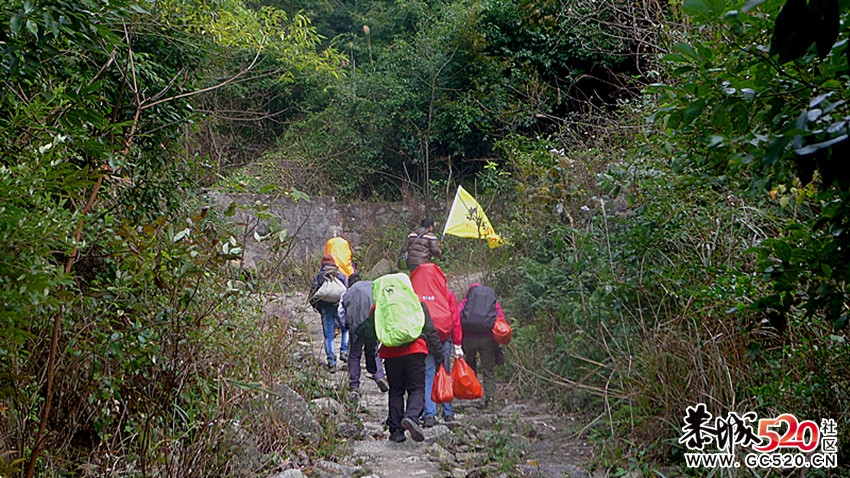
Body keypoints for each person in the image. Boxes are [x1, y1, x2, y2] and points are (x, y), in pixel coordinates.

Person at [357, 273, 445, 443]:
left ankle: (396, 431)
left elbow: (369, 336)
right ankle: (412, 416)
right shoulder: (415, 301)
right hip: (416, 351)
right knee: (417, 388)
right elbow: (430, 330)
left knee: (396, 390)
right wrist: (440, 356)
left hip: (391, 353)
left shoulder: (380, 306)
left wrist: (371, 364)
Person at [410, 263, 462, 427]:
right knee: (445, 373)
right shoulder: (446, 292)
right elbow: (455, 319)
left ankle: (429, 413)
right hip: (443, 337)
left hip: (423, 338)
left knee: (427, 375)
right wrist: (458, 343)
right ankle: (448, 412)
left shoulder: (414, 293)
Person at [338, 276, 390, 395]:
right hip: (373, 324)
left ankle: (354, 384)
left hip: (356, 327)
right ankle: (379, 376)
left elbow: (341, 312)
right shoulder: (373, 286)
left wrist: (346, 326)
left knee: (355, 354)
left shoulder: (349, 291)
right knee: (374, 351)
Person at [459, 283, 505, 409]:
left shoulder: (467, 301)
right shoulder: (491, 302)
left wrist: (459, 340)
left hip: (469, 339)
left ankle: (472, 393)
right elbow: (500, 318)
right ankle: (489, 398)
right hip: (487, 339)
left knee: (470, 365)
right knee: (488, 369)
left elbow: (458, 317)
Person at [309, 254, 350, 372]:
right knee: (346, 328)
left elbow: (313, 293)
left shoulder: (319, 276)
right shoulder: (340, 275)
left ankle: (331, 362)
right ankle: (344, 351)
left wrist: (317, 307)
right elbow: (347, 291)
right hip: (339, 306)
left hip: (326, 308)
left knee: (329, 335)